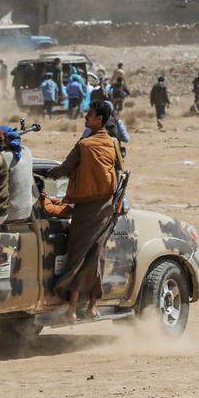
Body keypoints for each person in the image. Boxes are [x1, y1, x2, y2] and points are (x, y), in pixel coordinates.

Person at [44, 101, 123, 321]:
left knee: (77, 256)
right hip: (106, 209)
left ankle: (71, 310)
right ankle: (92, 307)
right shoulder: (114, 143)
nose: (85, 119)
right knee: (97, 256)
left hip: (86, 209)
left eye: (89, 116)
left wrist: (47, 176)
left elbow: (65, 168)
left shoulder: (85, 145)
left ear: (100, 119)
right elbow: (119, 174)